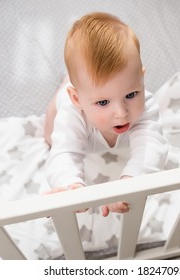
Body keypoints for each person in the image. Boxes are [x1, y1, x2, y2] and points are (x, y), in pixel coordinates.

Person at [44, 12, 168, 217]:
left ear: (141, 78)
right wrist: (71, 186)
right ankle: (67, 83)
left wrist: (131, 182)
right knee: (49, 137)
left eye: (131, 94)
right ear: (77, 100)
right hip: (66, 107)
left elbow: (152, 145)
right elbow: (63, 153)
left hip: (85, 95)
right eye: (103, 102)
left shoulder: (145, 104)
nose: (121, 113)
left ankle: (82, 85)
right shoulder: (71, 110)